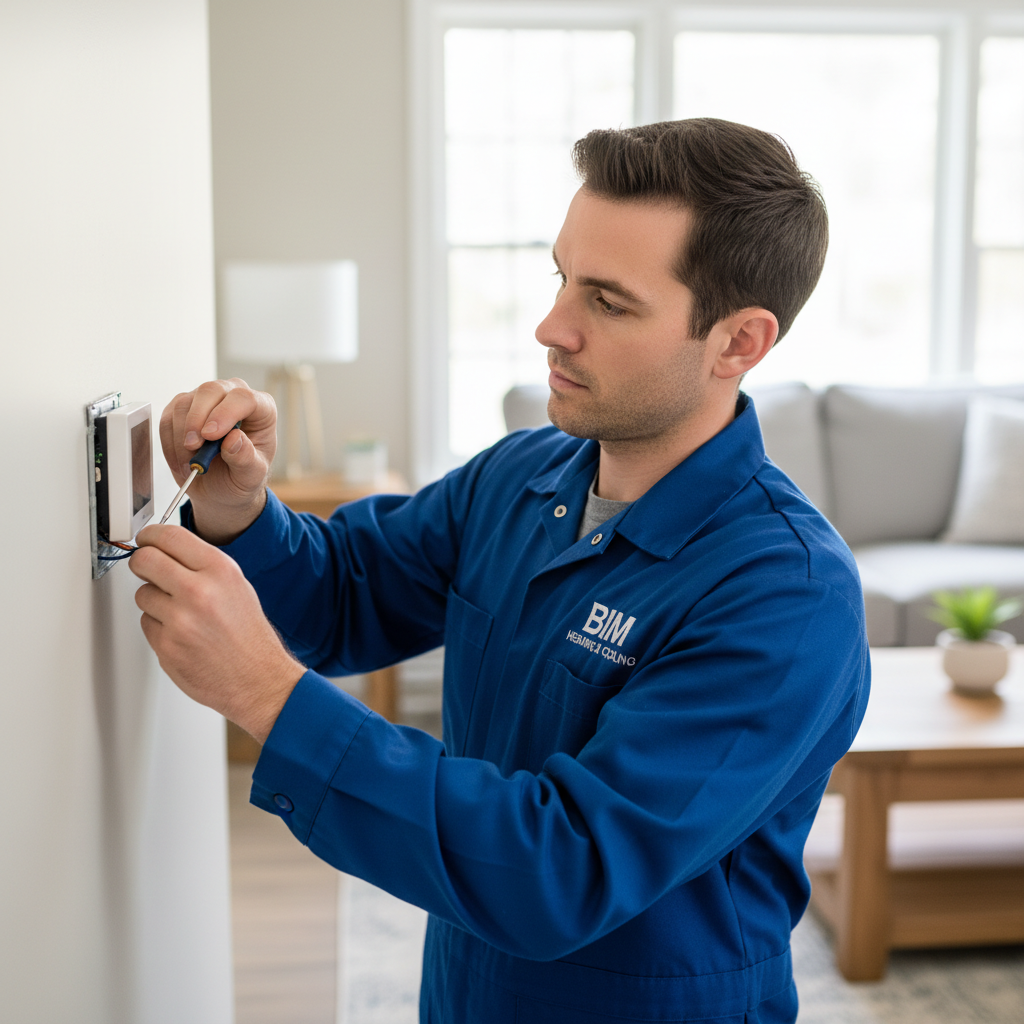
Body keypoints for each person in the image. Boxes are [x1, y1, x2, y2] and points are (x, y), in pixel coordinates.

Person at [130, 118, 869, 1024]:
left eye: (608, 301)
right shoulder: (522, 475)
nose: (551, 327)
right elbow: (346, 593)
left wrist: (266, 697)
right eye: (561, 276)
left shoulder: (787, 595)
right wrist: (242, 509)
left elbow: (563, 871)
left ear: (739, 342)